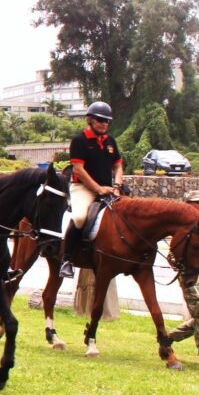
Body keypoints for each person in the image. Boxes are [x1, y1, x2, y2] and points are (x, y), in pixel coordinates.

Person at [59, 101, 123, 279]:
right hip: (83, 188)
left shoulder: (110, 141)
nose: (104, 124)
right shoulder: (79, 141)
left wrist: (116, 187)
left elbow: (118, 167)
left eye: (107, 121)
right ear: (90, 120)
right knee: (79, 218)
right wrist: (98, 189)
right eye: (100, 120)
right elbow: (78, 169)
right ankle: (67, 260)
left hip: (108, 188)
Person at [167, 190, 199, 369]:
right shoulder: (181, 228)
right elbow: (171, 255)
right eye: (197, 202)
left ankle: (168, 338)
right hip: (192, 279)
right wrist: (183, 268)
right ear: (187, 204)